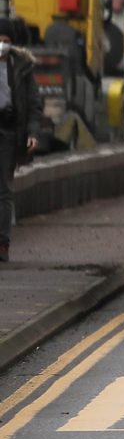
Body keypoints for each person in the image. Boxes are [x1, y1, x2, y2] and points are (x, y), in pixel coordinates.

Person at [0, 18, 37, 263]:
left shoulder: (21, 68)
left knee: (4, 189)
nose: (2, 45)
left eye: (6, 41)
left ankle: (3, 243)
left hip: (9, 132)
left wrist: (32, 133)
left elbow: (33, 104)